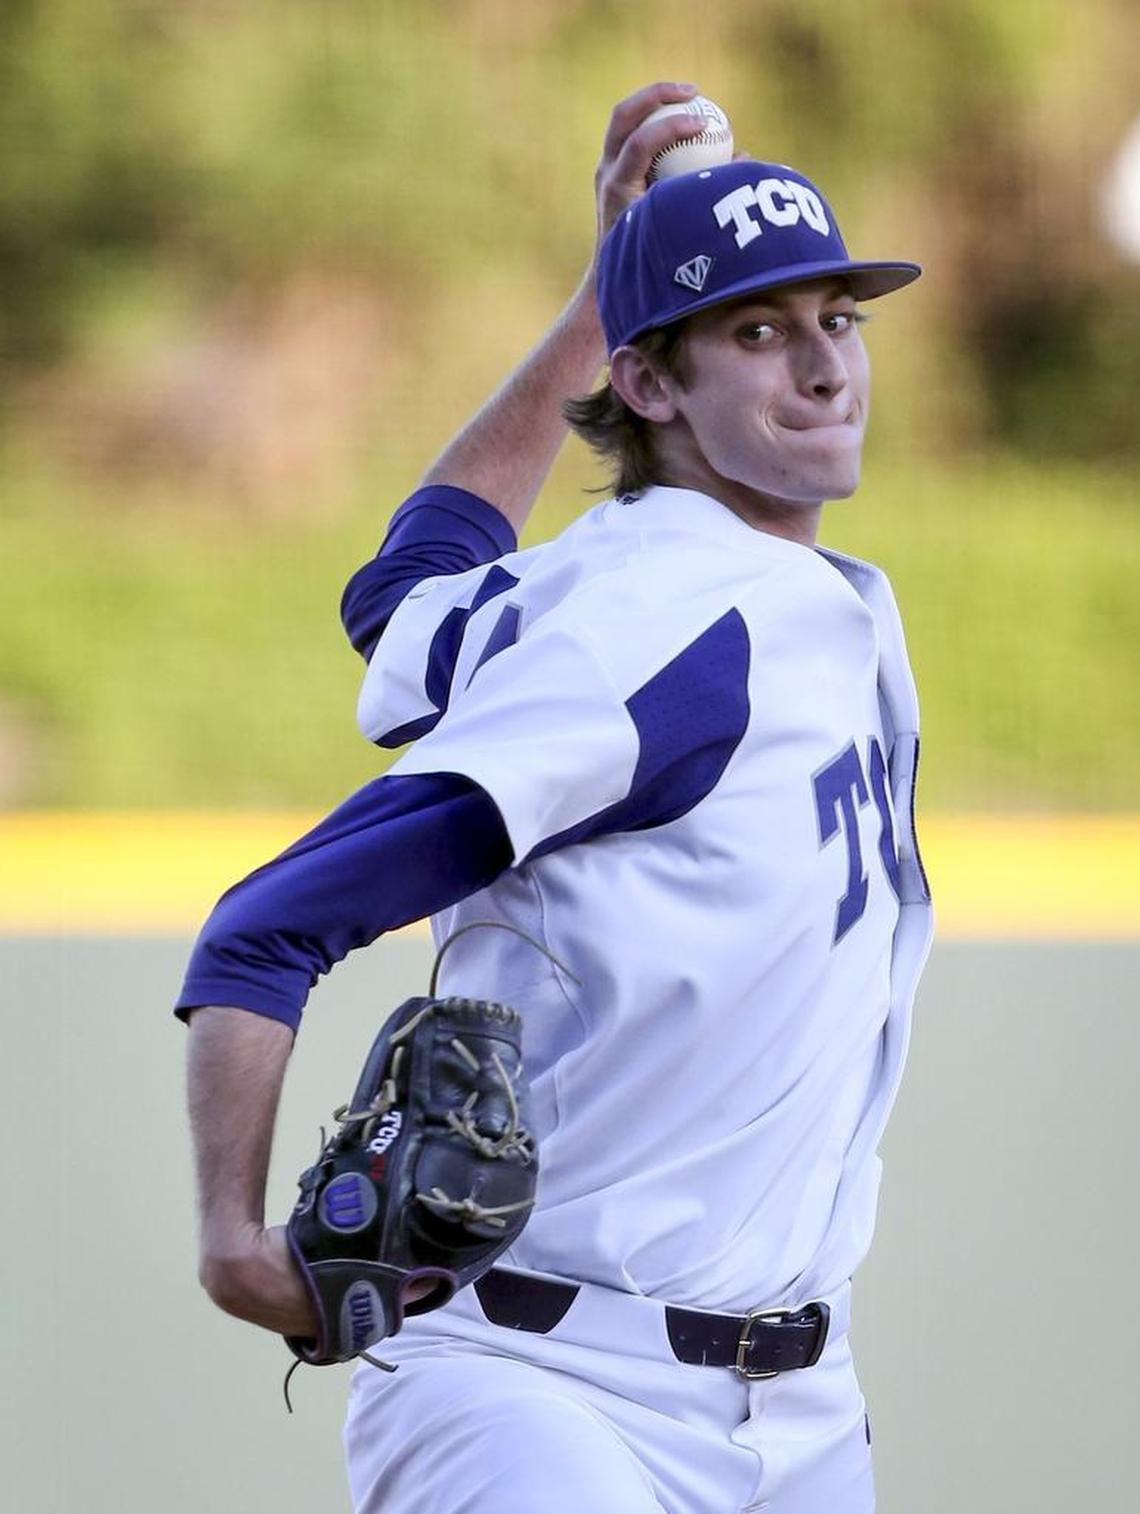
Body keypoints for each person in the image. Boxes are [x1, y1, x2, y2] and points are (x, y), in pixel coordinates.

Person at [178, 82, 933, 1513]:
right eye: (758, 329)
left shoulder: (662, 584)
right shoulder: (672, 627)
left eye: (841, 317)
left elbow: (402, 593)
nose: (826, 366)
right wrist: (232, 1232)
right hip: (541, 1396)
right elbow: (265, 926)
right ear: (652, 387)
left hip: (799, 1416)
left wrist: (606, 294)